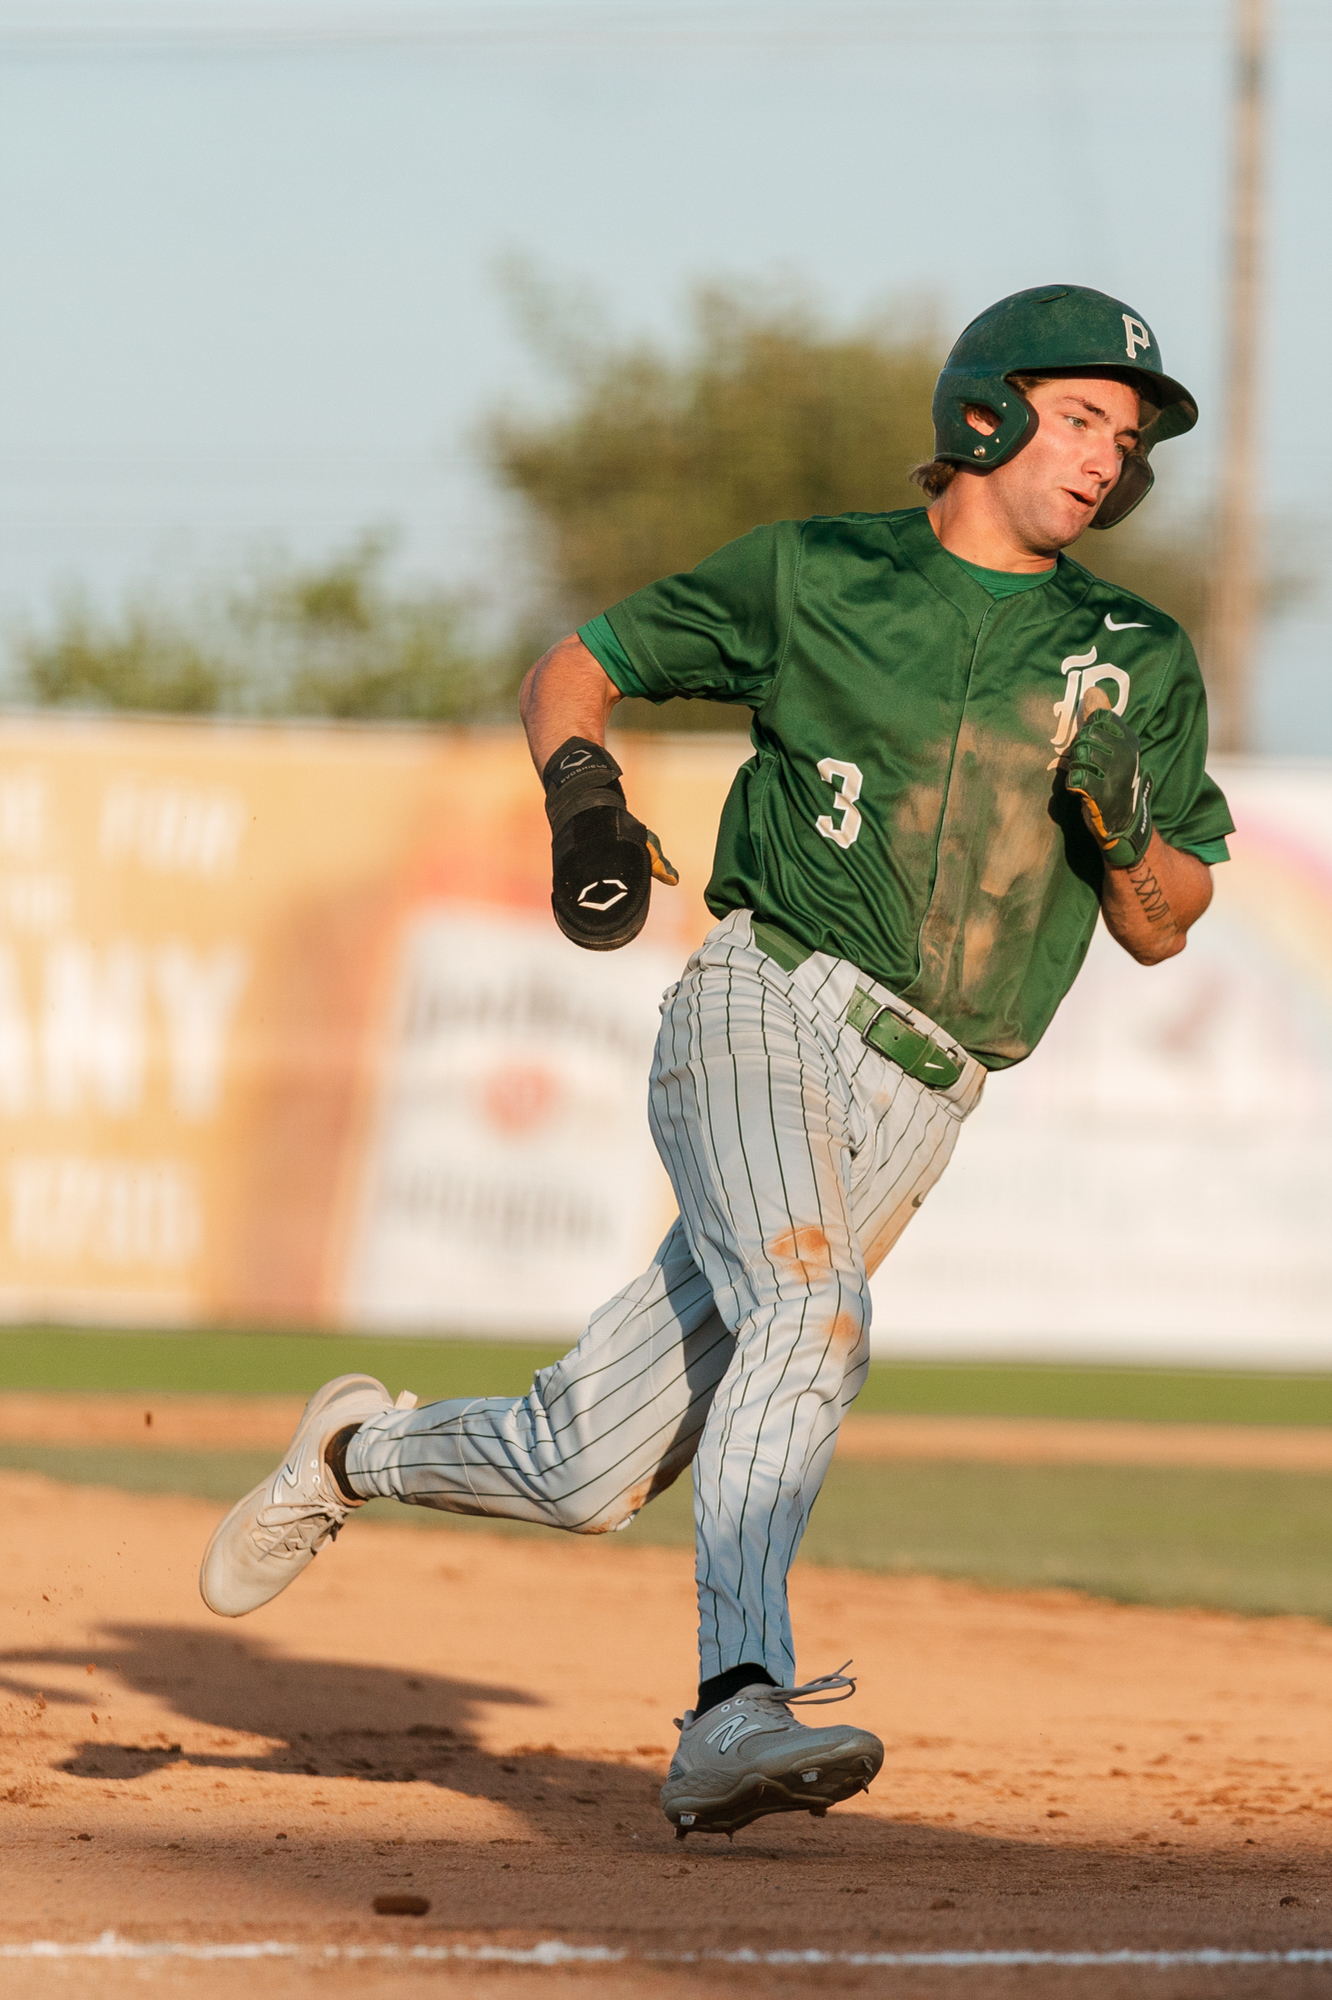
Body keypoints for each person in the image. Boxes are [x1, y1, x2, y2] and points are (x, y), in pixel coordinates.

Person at [199, 284, 1233, 1841]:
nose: (1107, 455)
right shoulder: (817, 574)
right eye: (1081, 414)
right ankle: (736, 1701)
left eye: (1128, 436)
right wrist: (583, 798)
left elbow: (1166, 921)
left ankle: (351, 1451)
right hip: (769, 1004)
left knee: (580, 1469)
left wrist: (1120, 824)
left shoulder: (1133, 654)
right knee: (813, 1309)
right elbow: (578, 662)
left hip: (930, 1095)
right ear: (985, 411)